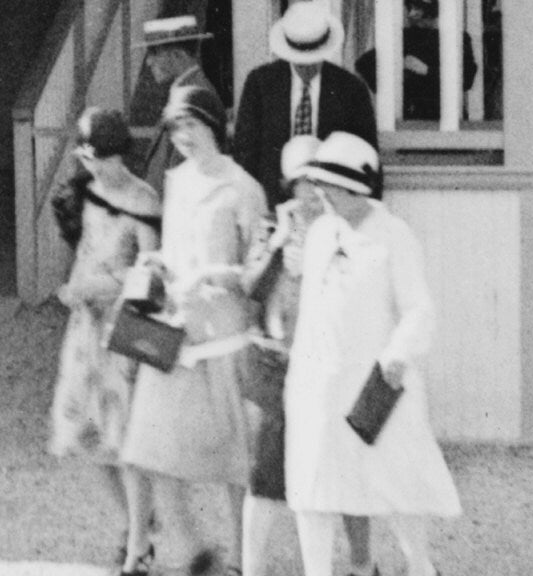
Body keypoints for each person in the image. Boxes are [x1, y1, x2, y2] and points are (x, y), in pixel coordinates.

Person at [284, 132, 461, 576]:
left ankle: (420, 567)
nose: (321, 194)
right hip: (319, 386)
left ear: (356, 188)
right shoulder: (320, 233)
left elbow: (418, 308)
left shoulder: (394, 235)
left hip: (375, 386)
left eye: (331, 186)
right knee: (313, 488)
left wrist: (398, 355)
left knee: (398, 485)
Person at [122, 86, 267, 576]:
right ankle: (173, 551)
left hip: (223, 340)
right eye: (175, 127)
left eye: (191, 124)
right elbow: (174, 248)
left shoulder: (243, 188)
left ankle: (244, 559)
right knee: (148, 447)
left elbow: (258, 271)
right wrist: (158, 263)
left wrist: (216, 275)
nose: (183, 136)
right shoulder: (177, 181)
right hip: (175, 334)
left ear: (212, 125)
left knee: (234, 463)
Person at [240, 135, 373, 576]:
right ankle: (253, 568)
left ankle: (361, 564)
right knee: (267, 474)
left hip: (332, 366)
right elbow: (251, 288)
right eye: (303, 181)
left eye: (321, 180)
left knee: (346, 472)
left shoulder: (345, 229)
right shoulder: (271, 227)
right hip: (279, 364)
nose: (314, 191)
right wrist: (279, 244)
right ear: (288, 184)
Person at [48, 107, 161, 576]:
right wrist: (76, 288)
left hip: (124, 329)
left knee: (126, 440)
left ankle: (139, 547)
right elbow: (86, 249)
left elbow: (151, 274)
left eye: (102, 160)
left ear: (120, 155)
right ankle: (134, 523)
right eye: (89, 160)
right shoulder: (87, 192)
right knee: (85, 434)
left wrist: (106, 287)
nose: (96, 169)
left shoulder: (143, 199)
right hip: (86, 327)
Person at [233, 1, 379, 208]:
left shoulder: (350, 89)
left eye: (313, 60)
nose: (306, 67)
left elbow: (368, 158)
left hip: (332, 206)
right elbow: (245, 152)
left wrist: (365, 213)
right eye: (299, 61)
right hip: (272, 203)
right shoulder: (260, 83)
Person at [355, 0, 478, 121]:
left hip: (448, 112)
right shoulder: (405, 37)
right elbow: (364, 64)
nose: (411, 14)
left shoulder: (458, 38)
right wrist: (391, 88)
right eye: (410, 8)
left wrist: (427, 70)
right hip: (412, 113)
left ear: (431, 10)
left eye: (417, 8)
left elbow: (467, 79)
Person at [137, 15, 218, 200]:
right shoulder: (186, 91)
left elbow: (185, 170)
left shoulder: (196, 97)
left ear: (177, 55)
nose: (148, 61)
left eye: (154, 52)